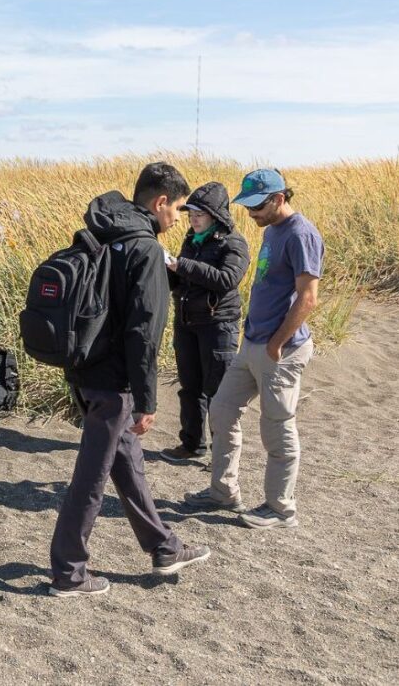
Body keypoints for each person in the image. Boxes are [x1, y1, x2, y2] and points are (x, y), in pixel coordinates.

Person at [50, 161, 211, 597]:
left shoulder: (101, 233)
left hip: (84, 368)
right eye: (177, 207)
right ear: (160, 202)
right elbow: (144, 331)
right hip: (113, 382)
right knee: (91, 478)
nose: (178, 217)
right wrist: (147, 399)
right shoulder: (145, 250)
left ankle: (164, 547)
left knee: (128, 464)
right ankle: (69, 573)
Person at [184, 169, 323, 530]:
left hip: (282, 349)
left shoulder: (301, 234)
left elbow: (308, 297)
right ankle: (223, 492)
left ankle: (280, 508)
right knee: (222, 409)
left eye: (257, 207)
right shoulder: (273, 229)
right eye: (246, 206)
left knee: (277, 427)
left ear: (279, 198)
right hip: (253, 344)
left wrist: (276, 343)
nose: (251, 214)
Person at [160, 182, 250, 462]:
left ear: (216, 215)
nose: (193, 219)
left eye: (200, 214)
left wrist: (181, 265)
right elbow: (184, 278)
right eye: (191, 214)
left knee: (218, 393)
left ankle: (220, 455)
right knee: (190, 388)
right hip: (187, 322)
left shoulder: (233, 242)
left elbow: (227, 280)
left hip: (218, 326)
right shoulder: (192, 239)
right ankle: (192, 444)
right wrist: (165, 269)